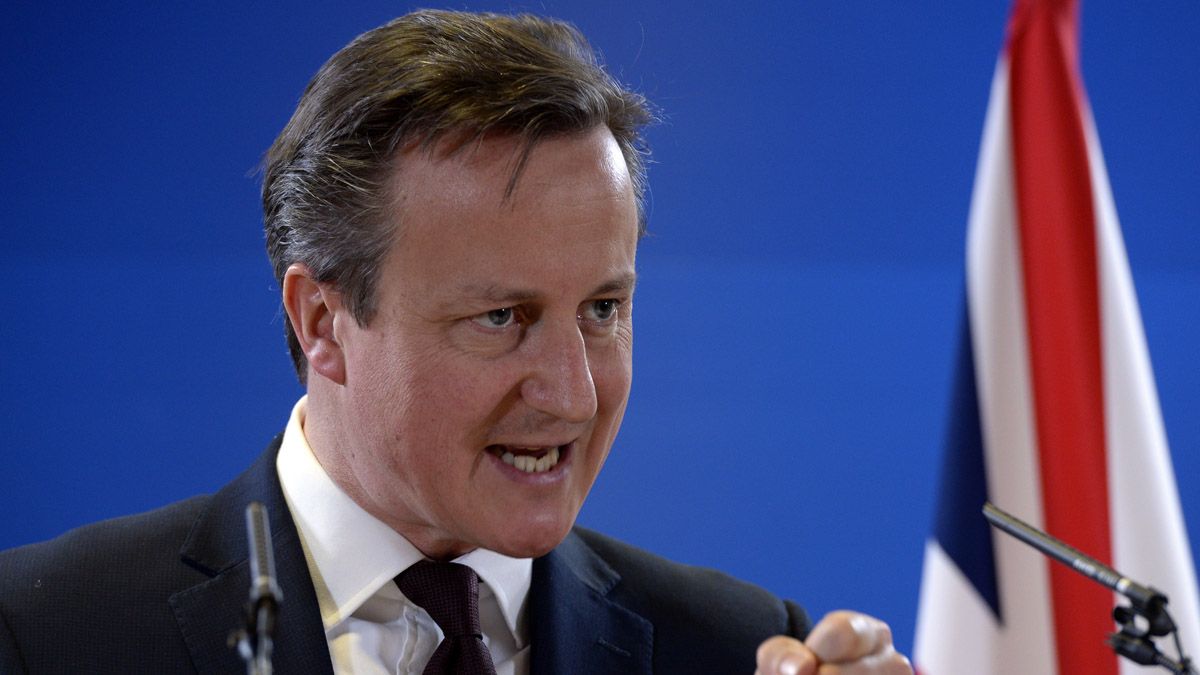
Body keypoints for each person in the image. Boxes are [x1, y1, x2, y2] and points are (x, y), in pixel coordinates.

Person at [0, 10, 911, 675]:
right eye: (501, 318)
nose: (573, 395)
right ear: (323, 322)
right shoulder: (45, 636)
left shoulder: (737, 647)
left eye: (602, 309)